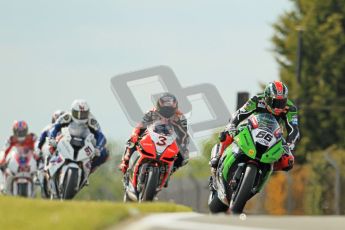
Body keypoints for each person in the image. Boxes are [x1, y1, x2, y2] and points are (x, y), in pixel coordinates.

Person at [210, 80, 300, 173]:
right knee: (227, 134)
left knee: (288, 162)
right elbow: (239, 113)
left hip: (273, 135)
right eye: (275, 102)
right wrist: (232, 125)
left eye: (282, 102)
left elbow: (294, 130)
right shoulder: (256, 100)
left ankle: (266, 169)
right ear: (267, 98)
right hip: (252, 127)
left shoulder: (290, 109)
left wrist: (289, 145)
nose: (278, 107)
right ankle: (218, 156)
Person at [119, 92, 190, 174]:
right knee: (131, 141)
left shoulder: (180, 117)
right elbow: (139, 126)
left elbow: (184, 134)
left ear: (175, 107)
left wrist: (183, 146)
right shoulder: (151, 112)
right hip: (151, 135)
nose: (167, 112)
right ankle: (125, 162)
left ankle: (170, 171)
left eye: (170, 109)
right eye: (164, 109)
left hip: (170, 139)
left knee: (183, 156)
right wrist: (135, 135)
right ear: (159, 106)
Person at [48, 100, 108, 172]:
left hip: (85, 141)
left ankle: (89, 169)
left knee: (104, 153)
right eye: (77, 113)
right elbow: (54, 127)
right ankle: (50, 163)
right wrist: (52, 139)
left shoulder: (92, 120)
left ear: (88, 113)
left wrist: (98, 148)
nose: (80, 117)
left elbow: (101, 136)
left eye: (83, 114)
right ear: (72, 111)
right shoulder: (67, 116)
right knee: (52, 145)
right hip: (67, 138)